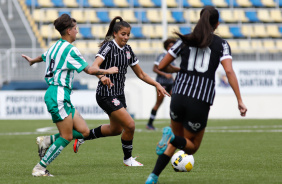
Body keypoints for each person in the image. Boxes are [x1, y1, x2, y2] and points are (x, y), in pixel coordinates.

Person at [145, 6, 247, 183]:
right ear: (217, 24)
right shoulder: (221, 44)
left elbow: (161, 66)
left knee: (177, 141)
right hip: (200, 99)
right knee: (191, 147)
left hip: (178, 94)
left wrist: (182, 70)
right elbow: (229, 72)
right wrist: (239, 100)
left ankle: (153, 176)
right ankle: (169, 138)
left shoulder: (184, 40)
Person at [22, 14, 118, 177]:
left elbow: (43, 57)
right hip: (58, 93)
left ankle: (47, 140)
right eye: (75, 28)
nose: (77, 31)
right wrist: (106, 71)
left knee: (84, 132)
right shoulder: (70, 49)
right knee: (66, 136)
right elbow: (89, 69)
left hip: (59, 94)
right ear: (68, 30)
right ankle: (40, 168)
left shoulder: (55, 46)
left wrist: (33, 60)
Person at [73, 16, 170, 166]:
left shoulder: (128, 50)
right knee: (130, 125)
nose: (126, 37)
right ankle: (128, 159)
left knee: (115, 129)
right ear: (115, 33)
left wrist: (157, 84)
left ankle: (82, 137)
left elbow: (142, 74)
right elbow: (93, 67)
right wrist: (102, 76)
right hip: (105, 94)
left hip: (119, 94)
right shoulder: (108, 47)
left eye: (128, 34)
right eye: (123, 34)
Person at [146, 38, 177, 130]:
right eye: (170, 46)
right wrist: (165, 74)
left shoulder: (173, 57)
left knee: (175, 102)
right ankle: (149, 124)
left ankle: (174, 124)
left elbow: (171, 71)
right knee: (159, 103)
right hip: (161, 83)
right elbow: (154, 68)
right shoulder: (162, 56)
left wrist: (172, 77)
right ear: (166, 47)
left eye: (173, 46)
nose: (171, 48)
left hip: (170, 83)